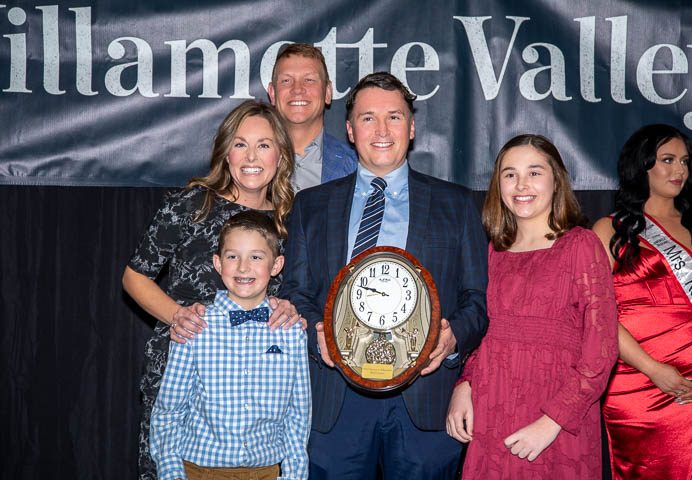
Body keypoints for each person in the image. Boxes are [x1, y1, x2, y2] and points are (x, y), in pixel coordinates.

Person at [280, 72, 488, 479]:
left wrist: (452, 338)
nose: (381, 130)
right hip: (335, 398)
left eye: (393, 117)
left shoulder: (457, 204)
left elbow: (477, 300)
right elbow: (295, 292)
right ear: (350, 128)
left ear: (411, 128)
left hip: (424, 399)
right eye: (367, 117)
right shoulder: (311, 206)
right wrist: (316, 332)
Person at [123, 100, 301, 480]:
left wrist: (290, 307)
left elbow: (299, 288)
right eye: (240, 144)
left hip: (257, 388)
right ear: (225, 152)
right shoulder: (193, 205)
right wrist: (177, 315)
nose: (252, 156)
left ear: (281, 155)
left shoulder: (291, 219)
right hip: (184, 371)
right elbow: (134, 276)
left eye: (264, 145)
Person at [446, 134, 618, 479]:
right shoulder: (492, 251)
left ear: (557, 180)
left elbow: (602, 349)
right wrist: (464, 385)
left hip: (556, 418)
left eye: (534, 173)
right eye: (510, 174)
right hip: (493, 406)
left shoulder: (580, 245)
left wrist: (553, 420)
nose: (521, 185)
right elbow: (485, 332)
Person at [593, 124, 692, 480]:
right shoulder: (609, 230)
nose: (679, 170)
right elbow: (599, 317)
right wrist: (653, 369)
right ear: (642, 165)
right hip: (640, 384)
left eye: (684, 161)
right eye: (667, 160)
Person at [150, 210, 310, 480]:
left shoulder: (291, 332)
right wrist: (172, 474)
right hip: (200, 470)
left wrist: (294, 475)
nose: (243, 267)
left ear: (276, 265)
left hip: (268, 471)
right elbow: (169, 411)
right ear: (218, 263)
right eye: (232, 256)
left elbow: (298, 416)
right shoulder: (195, 326)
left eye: (256, 257)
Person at [267, 43, 357, 191]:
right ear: (272, 93)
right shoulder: (250, 164)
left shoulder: (355, 166)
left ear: (327, 92)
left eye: (309, 80)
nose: (297, 89)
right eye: (286, 80)